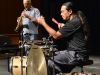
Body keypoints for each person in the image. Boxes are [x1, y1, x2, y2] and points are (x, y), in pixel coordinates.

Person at [24, 1, 90, 75]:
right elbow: (72, 30)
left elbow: (55, 35)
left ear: (70, 11)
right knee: (53, 58)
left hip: (76, 54)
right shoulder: (76, 20)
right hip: (75, 53)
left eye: (62, 11)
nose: (61, 14)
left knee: (50, 59)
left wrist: (43, 23)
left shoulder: (73, 22)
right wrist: (64, 27)